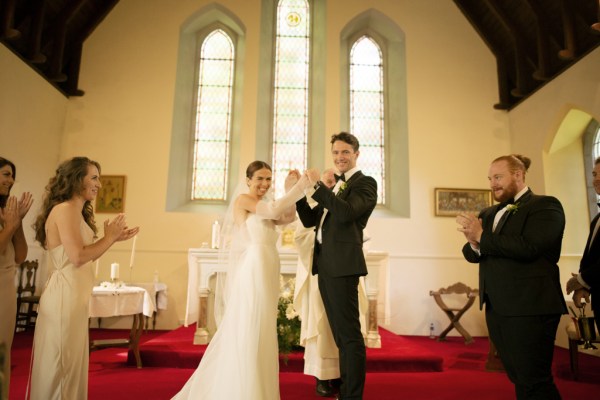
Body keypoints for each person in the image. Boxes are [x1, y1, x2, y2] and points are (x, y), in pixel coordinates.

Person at [172, 160, 311, 400]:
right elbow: (273, 211)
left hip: (268, 263)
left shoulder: (265, 204)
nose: (264, 183)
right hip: (255, 266)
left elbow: (286, 216)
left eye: (268, 179)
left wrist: (291, 188)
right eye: (259, 178)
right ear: (248, 180)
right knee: (250, 323)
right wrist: (298, 187)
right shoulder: (245, 201)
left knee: (263, 326)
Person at [456, 154, 567, 400]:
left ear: (518, 175)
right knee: (518, 376)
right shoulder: (488, 212)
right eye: (489, 178)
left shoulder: (545, 205)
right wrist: (474, 242)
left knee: (534, 379)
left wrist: (482, 237)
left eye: (498, 177)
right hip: (497, 307)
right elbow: (472, 253)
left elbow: (529, 247)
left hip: (531, 306)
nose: (492, 183)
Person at [30, 157, 139, 400]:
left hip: (73, 297)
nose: (99, 184)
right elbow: (78, 257)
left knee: (70, 365)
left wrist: (113, 239)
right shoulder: (65, 209)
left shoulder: (74, 211)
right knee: (61, 366)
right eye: (94, 177)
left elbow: (81, 255)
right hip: (63, 299)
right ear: (77, 179)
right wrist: (109, 237)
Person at [295, 132, 377, 400]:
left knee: (350, 337)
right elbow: (310, 219)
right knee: (341, 336)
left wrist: (319, 186)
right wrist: (298, 191)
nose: (339, 157)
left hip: (344, 267)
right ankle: (346, 391)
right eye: (335, 153)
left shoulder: (365, 183)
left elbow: (347, 213)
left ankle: (353, 396)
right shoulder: (336, 187)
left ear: (356, 154)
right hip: (326, 266)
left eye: (345, 152)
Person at [0, 157, 33, 400]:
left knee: (3, 349)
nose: (10, 180)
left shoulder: (7, 210)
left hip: (6, 287)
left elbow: (20, 256)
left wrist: (17, 222)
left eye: (12, 175)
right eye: (5, 174)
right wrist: (9, 226)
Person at [566, 156, 600, 333]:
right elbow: (593, 257)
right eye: (594, 174)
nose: (596, 179)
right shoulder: (597, 219)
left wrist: (580, 280)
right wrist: (584, 286)